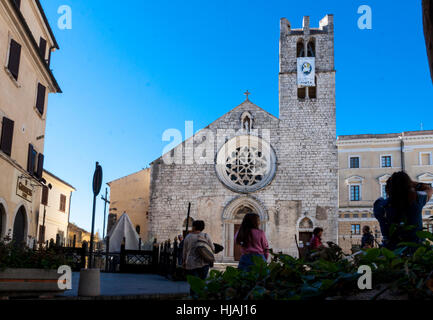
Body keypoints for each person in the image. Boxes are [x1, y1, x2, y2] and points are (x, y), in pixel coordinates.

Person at [374, 171, 433, 250]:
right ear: (409, 186)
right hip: (415, 251)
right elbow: (428, 188)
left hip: (391, 251)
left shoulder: (379, 205)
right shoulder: (417, 200)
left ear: (388, 189)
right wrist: (412, 183)